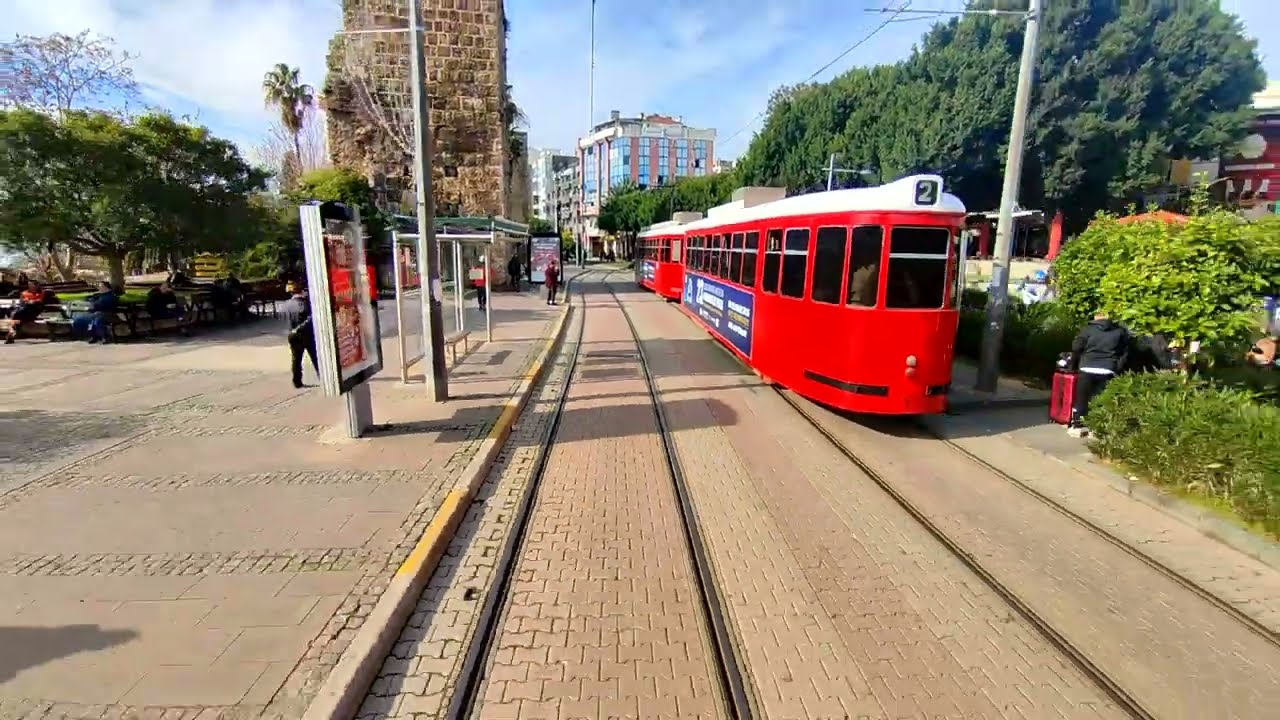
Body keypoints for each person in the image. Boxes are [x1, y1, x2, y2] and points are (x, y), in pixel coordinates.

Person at [1066, 311, 1131, 437]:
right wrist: (1117, 367)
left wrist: (1072, 365)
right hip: (1108, 368)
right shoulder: (1119, 332)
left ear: (1095, 318)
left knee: (1082, 397)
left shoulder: (1087, 330)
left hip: (1087, 367)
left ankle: (1078, 425)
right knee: (1102, 398)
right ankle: (1097, 427)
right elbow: (1125, 352)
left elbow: (1077, 348)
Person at [282, 282, 318, 389]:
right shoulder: (305, 304)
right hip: (306, 335)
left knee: (296, 359)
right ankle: (322, 376)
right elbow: (311, 318)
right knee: (315, 357)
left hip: (292, 335)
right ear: (302, 291)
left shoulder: (286, 304)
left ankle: (297, 381)